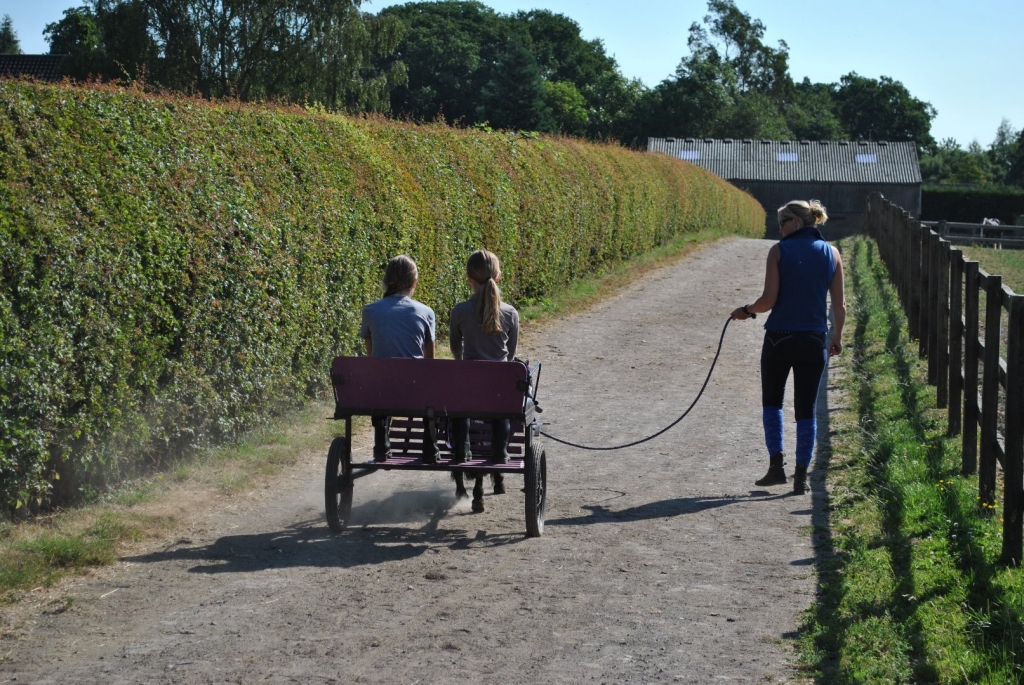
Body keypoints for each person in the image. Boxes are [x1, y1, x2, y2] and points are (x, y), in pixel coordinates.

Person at [731, 200, 846, 495]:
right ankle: (800, 477)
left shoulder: (779, 251)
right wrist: (837, 336)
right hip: (814, 339)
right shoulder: (832, 253)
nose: (778, 227)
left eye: (782, 222)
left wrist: (746, 310)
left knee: (773, 402)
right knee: (806, 408)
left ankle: (775, 468)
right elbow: (839, 305)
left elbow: (768, 301)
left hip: (779, 338)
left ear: (795, 221)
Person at [359, 255, 439, 463]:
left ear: (386, 281)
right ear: (414, 283)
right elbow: (429, 361)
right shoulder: (425, 312)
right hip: (415, 389)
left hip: (382, 390)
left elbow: (372, 355)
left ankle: (381, 443)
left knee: (379, 376)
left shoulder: (370, 311)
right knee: (432, 381)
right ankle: (430, 446)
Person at [448, 249, 520, 463]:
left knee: (459, 400)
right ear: (498, 276)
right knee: (503, 402)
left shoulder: (459, 312)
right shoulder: (510, 313)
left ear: (469, 278)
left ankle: (463, 449)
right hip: (498, 387)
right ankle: (500, 450)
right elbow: (511, 355)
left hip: (468, 386)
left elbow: (455, 350)